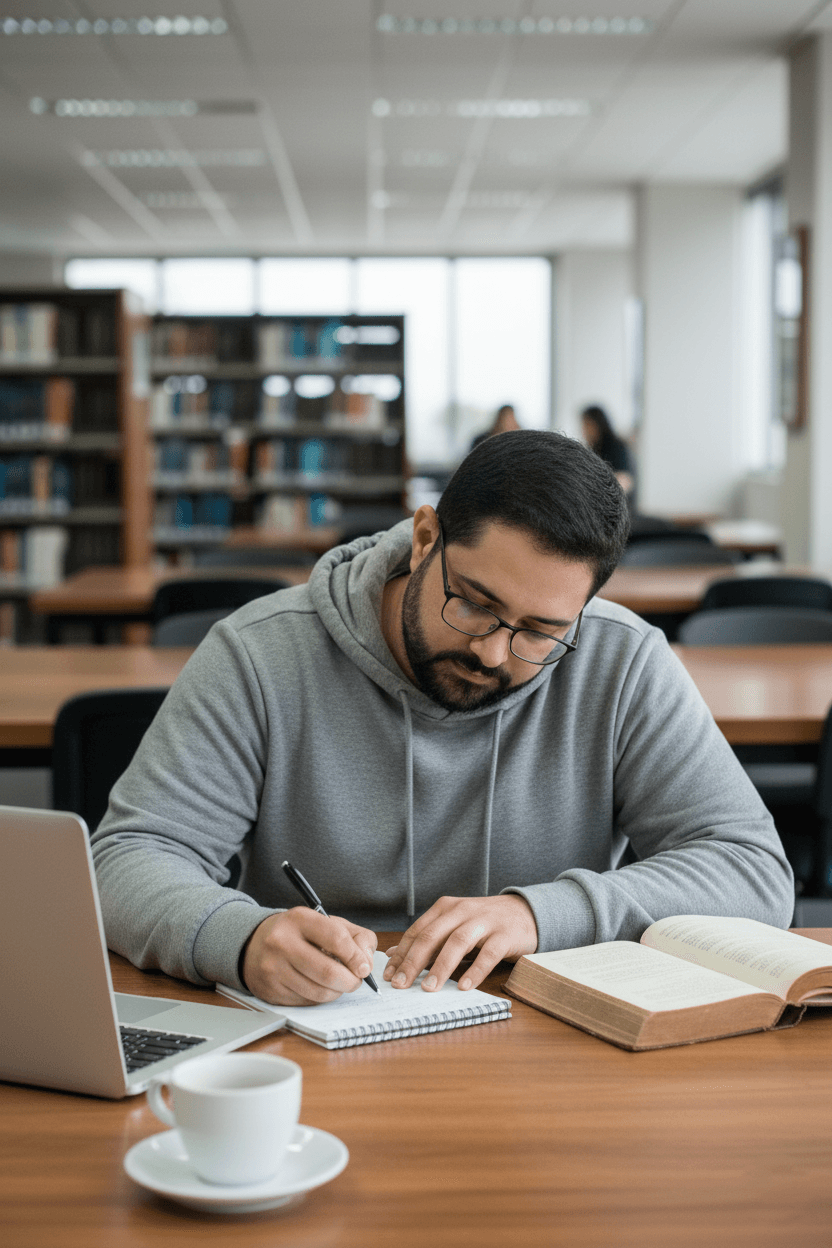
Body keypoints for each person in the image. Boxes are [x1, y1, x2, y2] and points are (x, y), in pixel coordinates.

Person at [92, 431, 793, 1009]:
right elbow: (126, 860)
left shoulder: (623, 659)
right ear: (426, 537)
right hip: (312, 1035)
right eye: (475, 603)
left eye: (541, 631)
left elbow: (752, 870)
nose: (492, 651)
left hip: (548, 1046)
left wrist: (542, 913)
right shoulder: (259, 652)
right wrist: (240, 939)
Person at [580, 404, 635, 498]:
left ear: (597, 424)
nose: (583, 431)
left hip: (619, 505)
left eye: (586, 425)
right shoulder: (592, 449)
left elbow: (625, 481)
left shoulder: (616, 446)